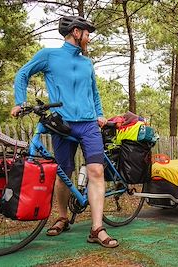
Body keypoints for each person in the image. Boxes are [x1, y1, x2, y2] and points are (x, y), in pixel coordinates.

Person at [11, 16, 119, 247]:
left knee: (96, 171)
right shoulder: (48, 55)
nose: (89, 38)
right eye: (87, 33)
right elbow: (22, 74)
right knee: (62, 173)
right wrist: (20, 102)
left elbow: (94, 92)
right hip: (62, 124)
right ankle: (62, 217)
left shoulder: (86, 63)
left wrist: (99, 114)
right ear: (76, 32)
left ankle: (97, 228)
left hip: (89, 123)